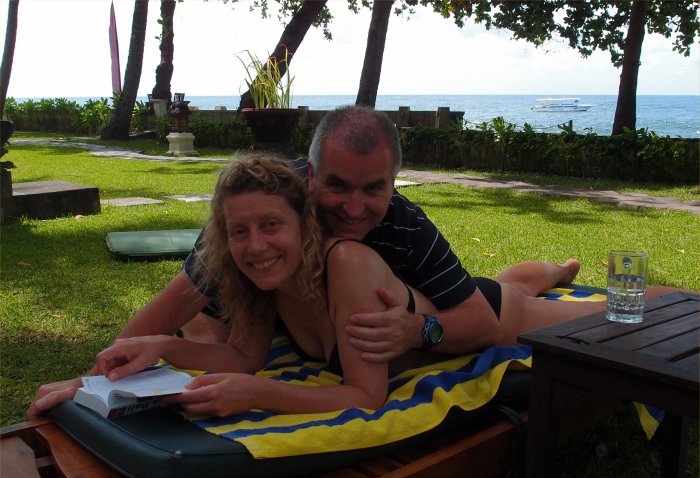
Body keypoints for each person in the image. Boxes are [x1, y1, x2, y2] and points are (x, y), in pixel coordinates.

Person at [26, 105, 675, 417]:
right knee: (514, 285)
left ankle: (661, 298)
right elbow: (169, 312)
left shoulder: (387, 236)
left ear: (393, 184)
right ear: (309, 178)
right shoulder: (263, 218)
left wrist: (418, 330)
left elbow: (475, 323)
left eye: (374, 189)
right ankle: (546, 271)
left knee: (587, 314)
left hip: (459, 314)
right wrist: (92, 383)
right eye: (338, 186)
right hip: (397, 312)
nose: (356, 207)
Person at [93, 155, 442, 414]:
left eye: (271, 224)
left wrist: (258, 393)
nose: (256, 246)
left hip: (466, 341)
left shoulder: (348, 265)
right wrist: (161, 345)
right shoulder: (263, 280)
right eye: (239, 231)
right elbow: (244, 357)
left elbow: (366, 397)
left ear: (304, 225)